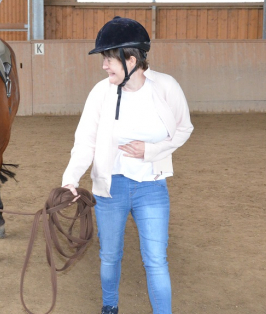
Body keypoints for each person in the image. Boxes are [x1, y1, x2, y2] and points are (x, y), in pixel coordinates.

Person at [61, 17, 193, 314]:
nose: (104, 66)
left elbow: (184, 129)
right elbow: (85, 141)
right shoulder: (100, 93)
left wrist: (152, 150)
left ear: (131, 59)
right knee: (109, 256)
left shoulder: (166, 87)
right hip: (111, 189)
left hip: (151, 187)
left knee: (156, 259)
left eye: (109, 59)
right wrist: (70, 178)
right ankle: (110, 306)